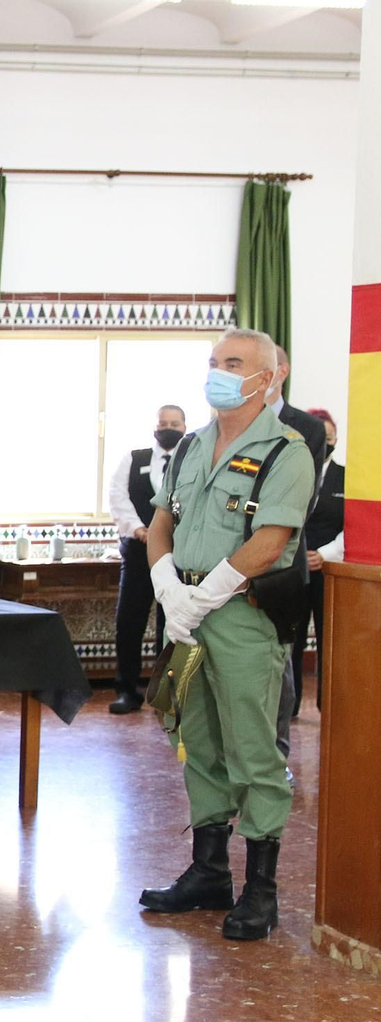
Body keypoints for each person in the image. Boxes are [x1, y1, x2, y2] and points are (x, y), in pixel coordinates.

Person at [140, 328, 314, 940]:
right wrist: (167, 585)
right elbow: (161, 521)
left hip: (239, 615)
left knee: (252, 751)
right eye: (214, 362)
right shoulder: (191, 446)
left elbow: (271, 541)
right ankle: (209, 872)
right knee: (198, 743)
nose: (219, 372)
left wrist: (207, 594)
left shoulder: (286, 451)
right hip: (183, 611)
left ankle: (260, 889)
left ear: (269, 378)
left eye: (233, 363)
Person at [265, 345, 326, 767]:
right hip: (224, 566)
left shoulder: (306, 427)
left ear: (280, 371)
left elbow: (301, 499)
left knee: (280, 661)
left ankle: (277, 753)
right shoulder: (224, 423)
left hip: (283, 562)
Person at [107, 405, 187, 714]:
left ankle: (167, 693)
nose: (168, 427)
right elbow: (117, 496)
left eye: (174, 423)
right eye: (163, 423)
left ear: (184, 426)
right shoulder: (134, 458)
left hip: (178, 554)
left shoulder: (193, 459)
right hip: (139, 553)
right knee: (129, 622)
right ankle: (127, 690)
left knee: (173, 624)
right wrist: (139, 529)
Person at [301, 408, 344, 709]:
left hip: (328, 570)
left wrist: (325, 554)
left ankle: (325, 705)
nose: (323, 443)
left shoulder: (348, 478)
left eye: (328, 437)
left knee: (329, 643)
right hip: (290, 568)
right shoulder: (290, 472)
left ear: (336, 439)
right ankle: (285, 709)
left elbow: (356, 527)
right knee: (288, 641)